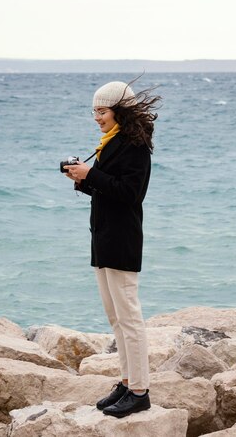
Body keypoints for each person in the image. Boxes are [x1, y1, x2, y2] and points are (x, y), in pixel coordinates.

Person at [64, 80, 160, 419]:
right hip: (103, 240)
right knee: (115, 318)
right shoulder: (112, 142)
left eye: (101, 111)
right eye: (94, 111)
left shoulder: (134, 145)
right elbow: (110, 190)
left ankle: (140, 391)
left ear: (119, 110)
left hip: (121, 242)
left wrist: (92, 174)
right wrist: (83, 180)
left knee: (129, 319)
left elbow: (131, 193)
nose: (96, 117)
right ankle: (126, 381)